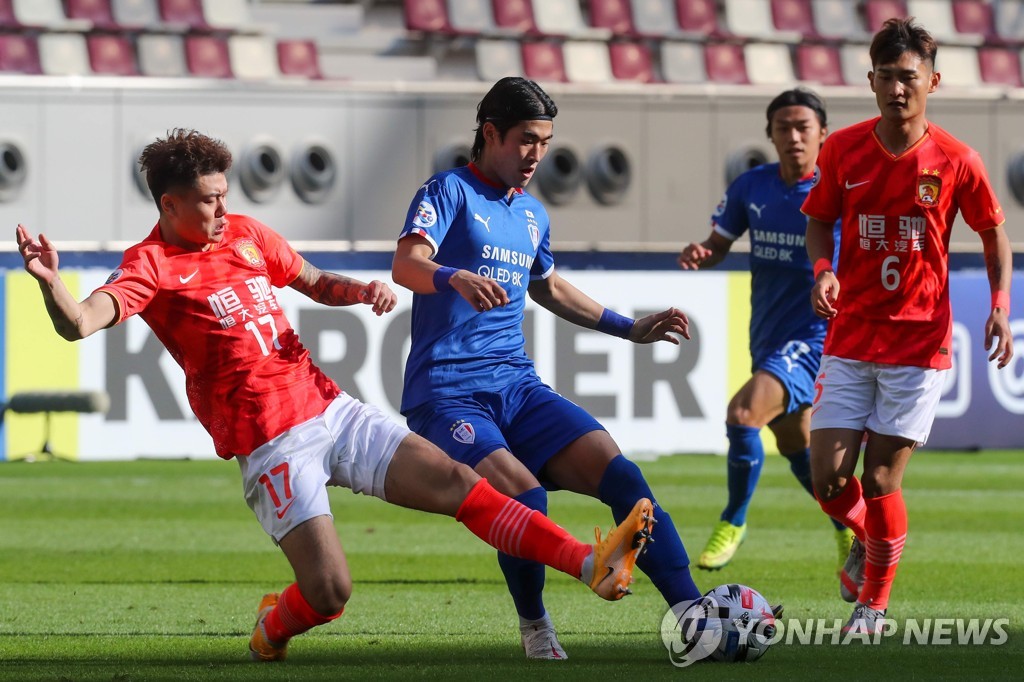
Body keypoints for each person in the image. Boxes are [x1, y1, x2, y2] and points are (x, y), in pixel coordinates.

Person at [15, 129, 658, 662]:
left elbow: (314, 280)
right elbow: (81, 322)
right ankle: (273, 626)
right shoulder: (149, 265)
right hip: (271, 445)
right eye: (206, 201)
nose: (219, 211)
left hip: (328, 407)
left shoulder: (246, 233)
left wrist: (362, 292)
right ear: (167, 205)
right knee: (329, 593)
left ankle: (589, 561)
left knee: (462, 484)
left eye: (222, 197)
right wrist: (52, 285)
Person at [391, 77, 702, 661]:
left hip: (517, 386)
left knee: (626, 480)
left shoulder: (531, 213)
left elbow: (549, 287)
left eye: (546, 141)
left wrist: (629, 327)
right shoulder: (449, 191)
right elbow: (406, 263)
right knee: (526, 501)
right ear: (491, 134)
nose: (537, 155)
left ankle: (695, 615)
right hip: (449, 395)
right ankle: (535, 627)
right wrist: (450, 276)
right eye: (526, 140)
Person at [802, 18, 1013, 635]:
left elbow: (994, 232)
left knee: (881, 478)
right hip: (850, 335)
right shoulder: (841, 149)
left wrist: (999, 303)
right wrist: (822, 269)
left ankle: (872, 607)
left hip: (917, 344)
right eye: (887, 76)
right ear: (870, 80)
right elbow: (820, 220)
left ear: (933, 81)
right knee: (828, 479)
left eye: (909, 77)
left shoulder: (956, 159)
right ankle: (872, 540)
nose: (898, 88)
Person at [678, 88, 854, 573]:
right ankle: (848, 527)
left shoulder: (840, 192)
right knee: (797, 446)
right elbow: (719, 243)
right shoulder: (751, 186)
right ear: (771, 135)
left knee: (742, 413)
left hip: (817, 336)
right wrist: (703, 253)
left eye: (804, 128)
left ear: (823, 133)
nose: (794, 137)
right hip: (768, 335)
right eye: (784, 128)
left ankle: (733, 519)